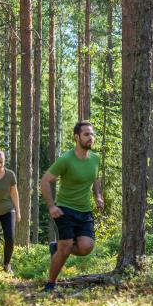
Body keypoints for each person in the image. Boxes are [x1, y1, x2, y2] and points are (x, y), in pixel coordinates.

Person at [40, 121, 104, 292]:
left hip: (85, 211)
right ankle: (51, 283)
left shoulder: (95, 159)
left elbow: (95, 178)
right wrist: (52, 206)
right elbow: (45, 181)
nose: (91, 138)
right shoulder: (66, 159)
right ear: (77, 137)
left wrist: (97, 195)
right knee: (66, 247)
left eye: (92, 134)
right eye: (86, 134)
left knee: (86, 248)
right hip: (65, 209)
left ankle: (57, 247)